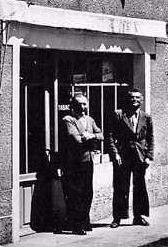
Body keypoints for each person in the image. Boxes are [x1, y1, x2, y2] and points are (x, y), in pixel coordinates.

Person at [108, 88, 155, 228]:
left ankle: (138, 216)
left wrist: (148, 157)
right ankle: (117, 217)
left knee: (139, 186)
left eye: (137, 98)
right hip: (123, 157)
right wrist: (115, 153)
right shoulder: (119, 114)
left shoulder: (146, 117)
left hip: (140, 157)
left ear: (141, 100)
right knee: (120, 186)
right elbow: (110, 136)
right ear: (127, 100)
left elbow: (150, 138)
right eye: (131, 98)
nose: (134, 100)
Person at [59, 93, 103, 235]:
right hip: (73, 162)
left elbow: (101, 135)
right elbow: (76, 139)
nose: (83, 107)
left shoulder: (89, 120)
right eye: (79, 104)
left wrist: (92, 136)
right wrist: (91, 139)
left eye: (85, 104)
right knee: (75, 193)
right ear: (73, 105)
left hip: (87, 160)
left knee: (87, 192)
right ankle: (76, 225)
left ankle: (85, 221)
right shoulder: (68, 119)